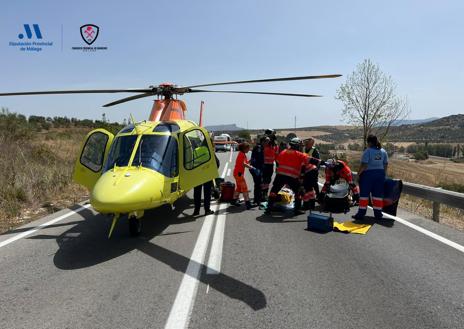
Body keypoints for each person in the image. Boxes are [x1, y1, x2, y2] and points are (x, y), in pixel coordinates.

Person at [265, 137, 309, 215]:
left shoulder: (284, 152)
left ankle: (269, 208)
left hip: (280, 175)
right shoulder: (300, 154)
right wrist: (323, 163)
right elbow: (308, 162)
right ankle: (297, 210)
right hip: (292, 176)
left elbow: (278, 161)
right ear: (297, 146)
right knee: (298, 192)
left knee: (274, 190)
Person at [352, 134, 389, 220]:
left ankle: (361, 214)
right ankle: (378, 214)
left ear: (369, 142)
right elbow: (386, 164)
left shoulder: (367, 151)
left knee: (364, 195)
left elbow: (364, 165)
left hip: (368, 176)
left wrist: (357, 175)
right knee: (377, 196)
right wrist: (384, 174)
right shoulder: (383, 151)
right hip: (380, 175)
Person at [192, 145, 220, 217]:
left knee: (197, 193)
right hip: (207, 175)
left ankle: (196, 210)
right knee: (207, 193)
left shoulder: (195, 150)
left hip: (197, 175)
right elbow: (217, 163)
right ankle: (207, 210)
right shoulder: (209, 151)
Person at [231, 142, 255, 209]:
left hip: (237, 173)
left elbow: (246, 162)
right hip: (239, 174)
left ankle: (234, 200)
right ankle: (248, 203)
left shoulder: (242, 154)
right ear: (244, 148)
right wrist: (251, 167)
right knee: (245, 188)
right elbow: (244, 164)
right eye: (248, 148)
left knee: (239, 187)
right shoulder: (241, 154)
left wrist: (250, 161)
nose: (249, 149)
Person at [302, 138, 321, 209]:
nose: (307, 144)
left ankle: (318, 197)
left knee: (314, 184)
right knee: (306, 186)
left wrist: (316, 170)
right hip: (304, 171)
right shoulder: (303, 149)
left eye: (308, 143)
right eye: (306, 143)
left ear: (312, 144)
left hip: (312, 171)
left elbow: (318, 161)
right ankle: (309, 200)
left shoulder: (314, 150)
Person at [250, 136, 268, 206]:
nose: (267, 143)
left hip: (258, 168)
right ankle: (256, 201)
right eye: (266, 141)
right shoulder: (259, 148)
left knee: (259, 184)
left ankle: (258, 200)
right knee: (258, 185)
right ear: (263, 141)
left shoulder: (260, 147)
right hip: (256, 169)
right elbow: (258, 160)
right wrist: (257, 169)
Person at [262, 129, 279, 199]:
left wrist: (278, 166)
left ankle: (264, 194)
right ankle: (262, 194)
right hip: (263, 164)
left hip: (270, 165)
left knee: (267, 180)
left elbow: (276, 156)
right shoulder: (264, 143)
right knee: (263, 180)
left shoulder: (275, 145)